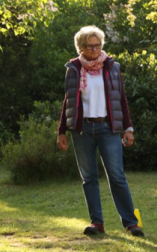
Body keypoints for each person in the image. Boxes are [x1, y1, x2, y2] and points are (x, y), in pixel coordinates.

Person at [57, 26, 143, 237]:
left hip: (108, 128)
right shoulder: (74, 69)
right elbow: (68, 101)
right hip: (82, 129)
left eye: (98, 45)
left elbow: (121, 99)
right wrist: (61, 130)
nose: (95, 49)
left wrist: (128, 128)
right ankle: (97, 223)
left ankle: (131, 223)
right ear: (81, 47)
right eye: (90, 46)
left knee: (117, 175)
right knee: (89, 178)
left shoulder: (112, 67)